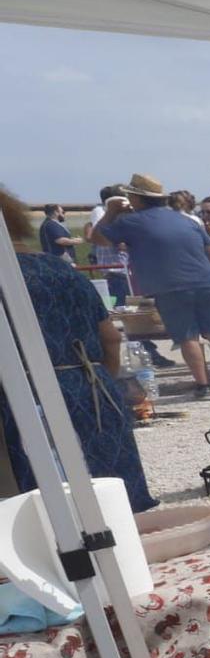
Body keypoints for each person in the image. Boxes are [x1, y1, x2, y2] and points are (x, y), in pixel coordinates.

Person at [1, 186, 157, 513]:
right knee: (115, 502)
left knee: (50, 509)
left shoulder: (10, 276)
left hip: (22, 400)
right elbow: (110, 337)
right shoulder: (60, 270)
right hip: (92, 386)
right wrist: (102, 379)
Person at [91, 172, 210, 400]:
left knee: (188, 338)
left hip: (169, 287)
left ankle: (204, 387)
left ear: (136, 198)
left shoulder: (130, 222)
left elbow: (97, 239)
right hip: (205, 283)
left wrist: (112, 212)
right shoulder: (187, 220)